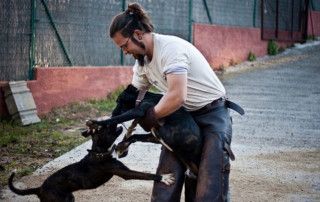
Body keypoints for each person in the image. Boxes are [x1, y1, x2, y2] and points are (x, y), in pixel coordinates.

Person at [109, 3, 243, 202]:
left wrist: (152, 116)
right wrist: (110, 126)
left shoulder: (170, 50)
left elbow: (176, 96)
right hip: (181, 118)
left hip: (212, 115)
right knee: (165, 187)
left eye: (125, 45)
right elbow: (132, 96)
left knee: (209, 191)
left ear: (137, 34)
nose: (125, 52)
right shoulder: (142, 63)